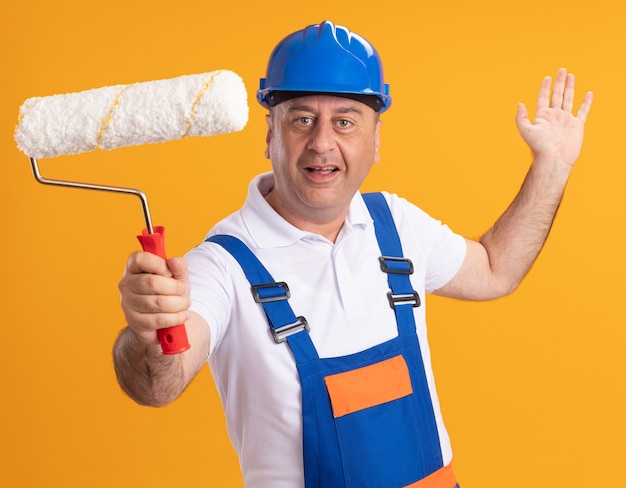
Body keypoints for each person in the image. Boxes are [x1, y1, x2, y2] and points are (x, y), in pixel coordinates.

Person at [113, 20, 593, 488]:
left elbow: (494, 270)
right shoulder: (221, 265)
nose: (322, 143)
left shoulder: (397, 225)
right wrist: (149, 331)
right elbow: (157, 386)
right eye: (302, 119)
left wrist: (552, 166)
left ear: (375, 139)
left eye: (345, 121)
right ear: (269, 135)